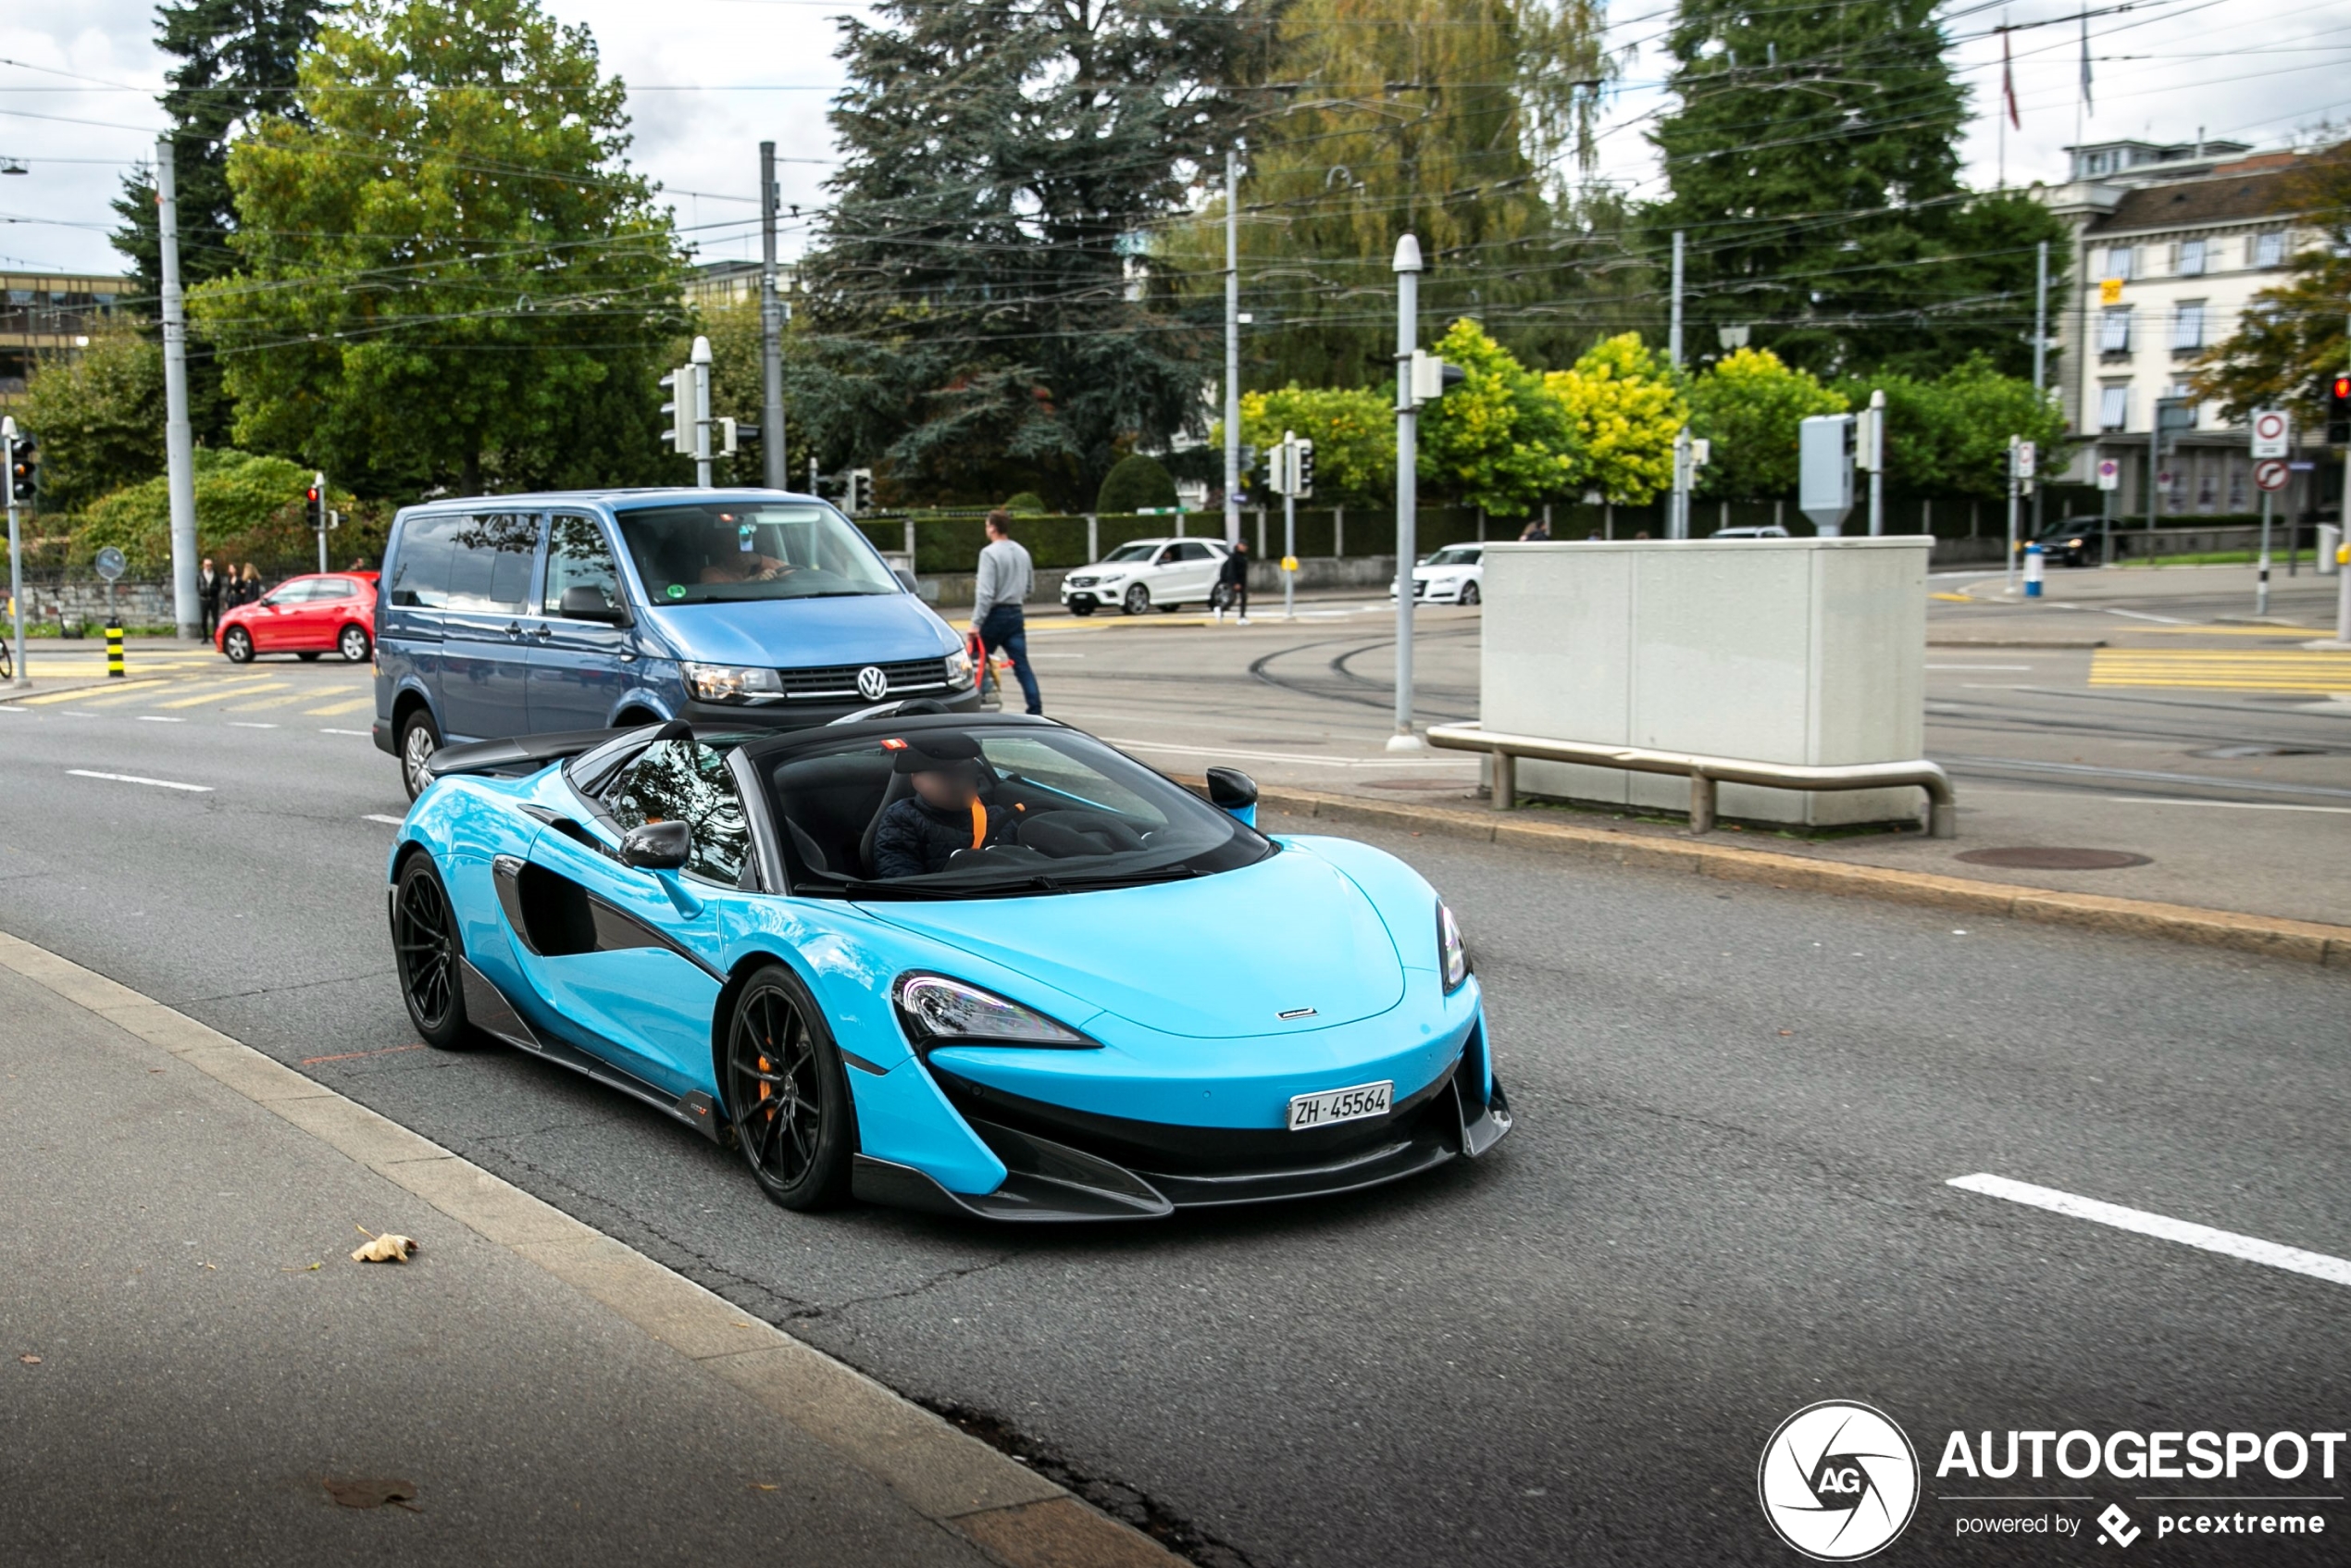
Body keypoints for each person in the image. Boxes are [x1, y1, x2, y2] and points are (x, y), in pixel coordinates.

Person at [870, 731, 1009, 877]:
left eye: (964, 774)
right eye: (945, 776)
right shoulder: (902, 819)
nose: (958, 784)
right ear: (915, 779)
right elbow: (903, 882)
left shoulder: (998, 817)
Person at [970, 510, 1040, 714]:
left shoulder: (989, 553)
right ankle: (1035, 708)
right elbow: (1029, 588)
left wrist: (975, 623)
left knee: (977, 660)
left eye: (986, 525)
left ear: (992, 527)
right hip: (1016, 614)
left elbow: (985, 594)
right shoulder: (1022, 551)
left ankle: (979, 704)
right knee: (1021, 665)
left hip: (994, 615)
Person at [1216, 539, 1250, 623]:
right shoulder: (1233, 557)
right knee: (1231, 598)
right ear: (1239, 546)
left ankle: (1242, 616)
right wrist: (1234, 582)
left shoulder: (1244, 557)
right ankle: (1220, 610)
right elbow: (1231, 570)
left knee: (1244, 598)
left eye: (1245, 546)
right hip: (1234, 581)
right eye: (1243, 546)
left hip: (1242, 581)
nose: (1245, 548)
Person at [198, 558, 222, 639]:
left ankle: (215, 636)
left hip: (213, 599)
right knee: (203, 619)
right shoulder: (200, 575)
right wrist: (202, 592)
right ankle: (205, 637)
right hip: (204, 599)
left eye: (211, 565)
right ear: (204, 565)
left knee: (215, 618)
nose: (209, 567)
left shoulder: (215, 574)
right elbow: (198, 586)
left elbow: (219, 586)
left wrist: (214, 591)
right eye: (207, 565)